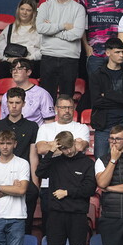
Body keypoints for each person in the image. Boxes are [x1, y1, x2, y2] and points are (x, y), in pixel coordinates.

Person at [36, 131, 96, 245]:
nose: (68, 151)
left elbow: (89, 188)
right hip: (56, 215)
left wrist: (67, 192)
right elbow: (40, 172)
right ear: (59, 148)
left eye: (70, 147)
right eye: (63, 148)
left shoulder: (87, 163)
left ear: (75, 142)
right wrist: (50, 151)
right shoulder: (55, 161)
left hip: (77, 216)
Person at [33, 95, 90, 232]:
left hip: (75, 185)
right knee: (51, 229)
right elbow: (41, 149)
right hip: (50, 185)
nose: (67, 110)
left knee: (75, 231)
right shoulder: (45, 128)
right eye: (63, 107)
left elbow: (80, 147)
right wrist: (69, 145)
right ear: (57, 109)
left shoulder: (81, 127)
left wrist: (52, 147)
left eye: (70, 107)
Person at [37, 0, 86, 101]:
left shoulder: (79, 9)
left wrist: (52, 30)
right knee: (47, 99)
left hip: (69, 58)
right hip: (48, 56)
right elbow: (41, 28)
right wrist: (63, 26)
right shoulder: (45, 6)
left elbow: (77, 34)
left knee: (66, 99)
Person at [89, 37, 123, 158]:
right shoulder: (97, 75)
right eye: (117, 52)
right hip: (103, 126)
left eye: (122, 52)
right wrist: (121, 100)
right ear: (108, 53)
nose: (121, 55)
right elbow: (96, 101)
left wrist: (108, 95)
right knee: (100, 164)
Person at [0, 0, 42, 85]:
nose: (24, 12)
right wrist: (8, 59)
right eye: (22, 9)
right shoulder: (10, 28)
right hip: (12, 61)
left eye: (28, 10)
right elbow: (1, 50)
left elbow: (43, 49)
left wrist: (28, 58)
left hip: (31, 62)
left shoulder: (39, 29)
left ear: (33, 13)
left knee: (43, 69)